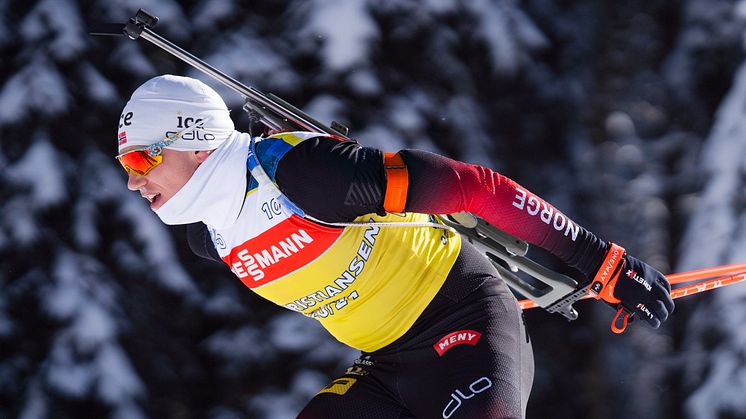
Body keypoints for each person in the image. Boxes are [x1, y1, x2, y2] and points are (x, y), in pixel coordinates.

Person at [116, 74, 674, 419]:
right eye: (125, 165)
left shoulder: (306, 174)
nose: (134, 181)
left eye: (143, 159)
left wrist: (601, 260)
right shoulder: (208, 236)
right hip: (387, 368)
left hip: (467, 324)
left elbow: (476, 188)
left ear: (194, 142)